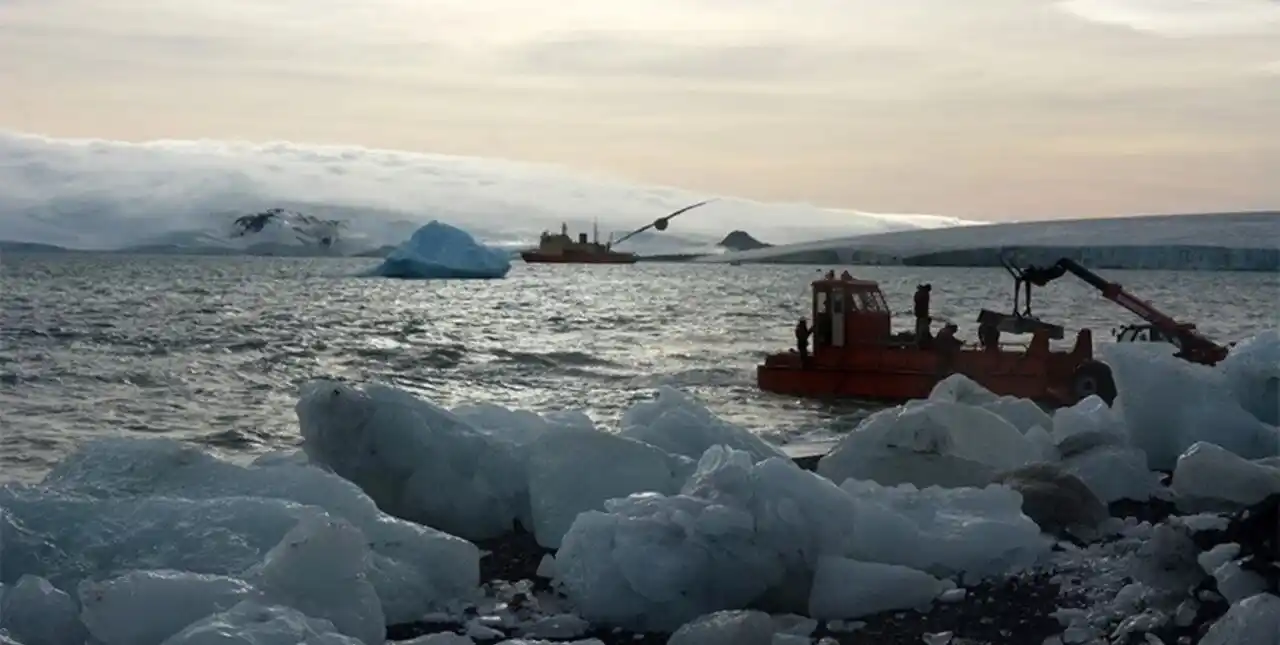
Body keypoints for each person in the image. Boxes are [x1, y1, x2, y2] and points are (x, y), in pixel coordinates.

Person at [913, 284, 932, 348]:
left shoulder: (921, 294)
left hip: (920, 314)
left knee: (919, 329)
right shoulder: (925, 294)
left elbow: (916, 299)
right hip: (922, 314)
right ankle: (920, 343)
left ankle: (919, 341)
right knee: (922, 330)